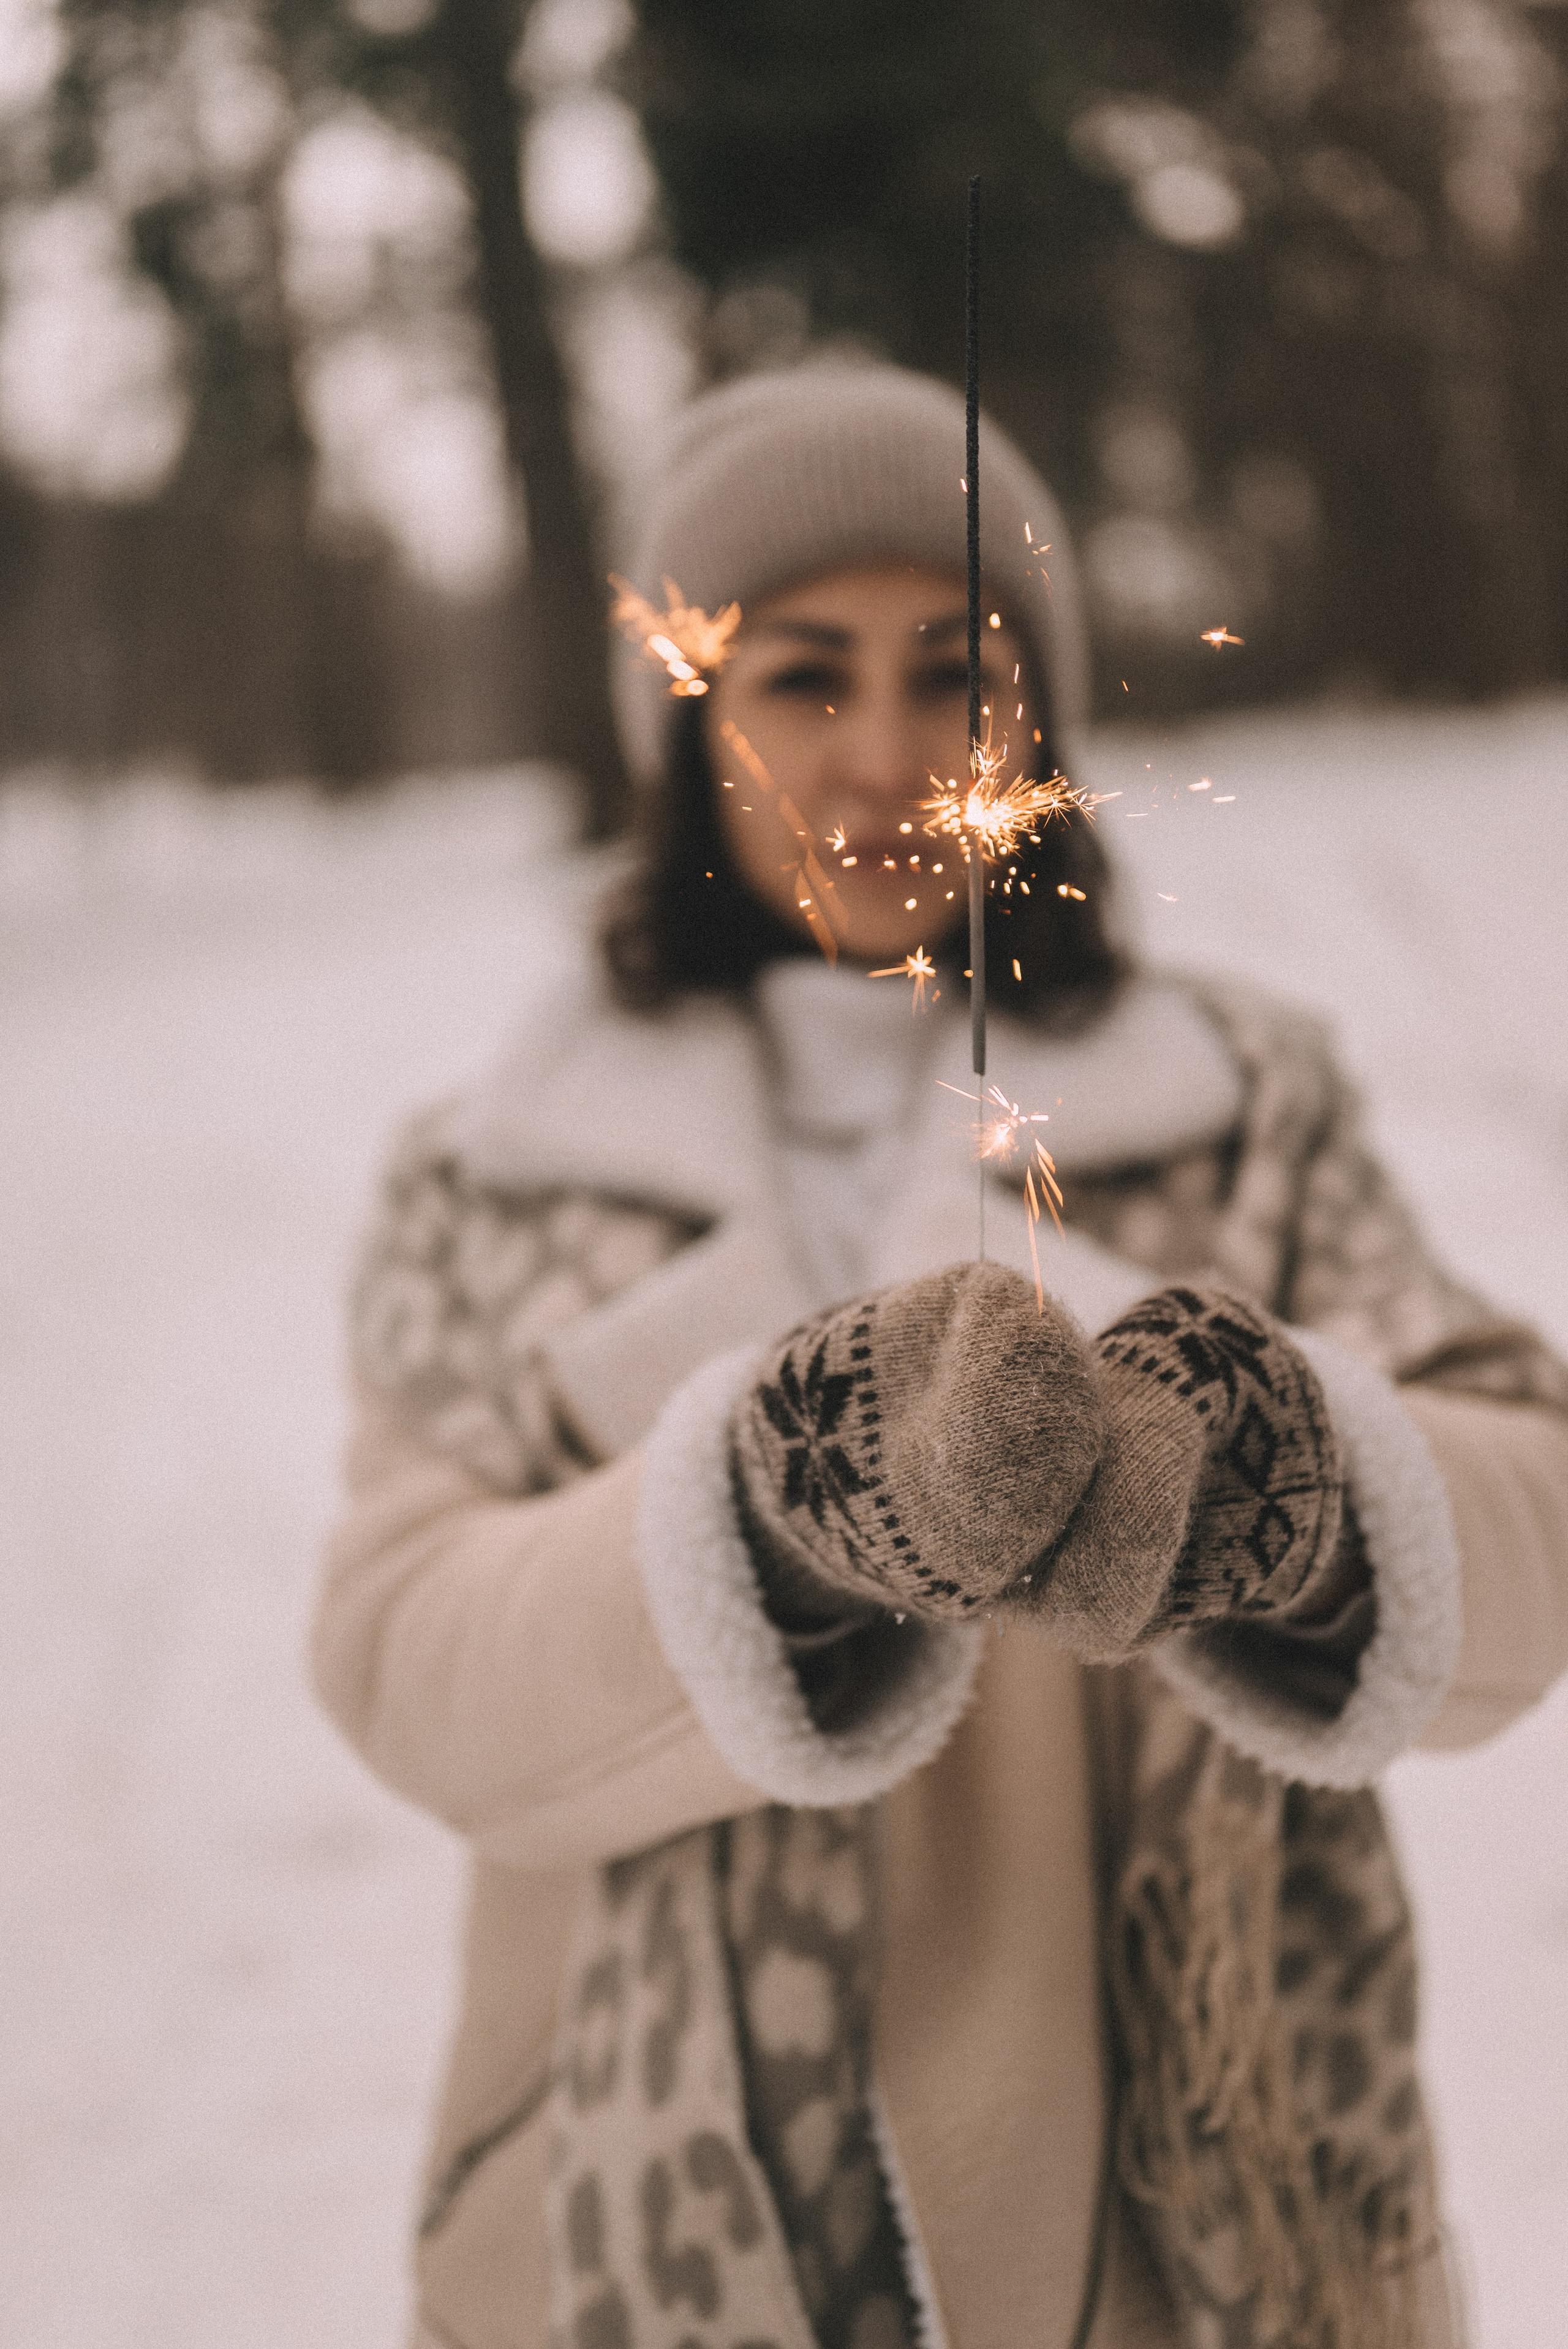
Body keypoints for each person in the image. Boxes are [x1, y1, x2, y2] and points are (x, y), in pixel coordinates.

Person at [314, 366, 1568, 2349]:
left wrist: (1303, 1490)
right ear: (687, 719)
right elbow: (404, 1658)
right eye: (805, 677)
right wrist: (761, 1524)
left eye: (951, 677)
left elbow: (1541, 1511)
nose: (886, 753)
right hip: (637, 2219)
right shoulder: (491, 1175)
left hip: (1208, 2211)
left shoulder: (1238, 1103)